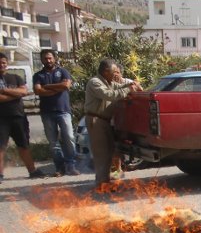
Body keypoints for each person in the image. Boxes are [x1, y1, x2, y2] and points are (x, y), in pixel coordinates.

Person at [84, 58, 141, 187]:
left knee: (109, 151)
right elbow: (110, 95)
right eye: (114, 71)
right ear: (105, 71)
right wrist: (128, 90)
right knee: (101, 153)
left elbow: (122, 86)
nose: (116, 74)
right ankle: (102, 184)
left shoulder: (109, 81)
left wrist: (133, 84)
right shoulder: (95, 82)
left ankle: (106, 181)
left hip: (104, 121)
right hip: (96, 120)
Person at [0, 53, 46, 182]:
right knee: (1, 147)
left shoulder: (15, 77)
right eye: (0, 62)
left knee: (24, 144)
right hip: (1, 119)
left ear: (6, 63)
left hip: (18, 117)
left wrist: (4, 91)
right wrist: (15, 94)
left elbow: (24, 91)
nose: (2, 65)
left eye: (3, 62)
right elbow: (18, 94)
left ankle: (32, 171)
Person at [33, 49, 79, 176]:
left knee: (69, 137)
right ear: (42, 60)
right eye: (45, 58)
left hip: (63, 110)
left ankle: (71, 165)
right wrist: (56, 88)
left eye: (50, 58)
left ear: (54, 58)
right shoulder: (38, 75)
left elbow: (66, 86)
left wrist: (46, 87)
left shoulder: (62, 71)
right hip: (47, 112)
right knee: (53, 143)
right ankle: (60, 167)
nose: (48, 60)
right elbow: (37, 90)